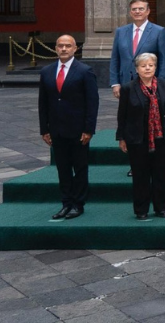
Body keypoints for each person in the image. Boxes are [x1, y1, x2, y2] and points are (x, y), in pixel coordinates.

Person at [37, 35, 98, 220]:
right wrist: (44, 129)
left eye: (68, 46)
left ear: (75, 49)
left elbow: (92, 102)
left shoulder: (85, 71)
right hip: (56, 130)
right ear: (55, 48)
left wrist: (89, 129)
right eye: (60, 46)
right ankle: (66, 203)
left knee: (80, 168)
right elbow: (43, 102)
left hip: (78, 130)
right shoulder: (47, 72)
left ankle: (78, 204)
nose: (64, 49)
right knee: (62, 169)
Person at [116, 52, 165, 220]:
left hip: (161, 137)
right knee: (140, 175)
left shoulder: (164, 85)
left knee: (161, 175)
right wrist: (121, 137)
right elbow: (122, 114)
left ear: (155, 67)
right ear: (137, 69)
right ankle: (141, 209)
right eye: (143, 66)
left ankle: (161, 208)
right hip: (137, 139)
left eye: (151, 65)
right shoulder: (128, 88)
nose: (147, 68)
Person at [109, 0, 165, 99]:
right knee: (127, 113)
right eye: (134, 9)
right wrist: (115, 83)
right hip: (126, 82)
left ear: (148, 11)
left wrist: (161, 83)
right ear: (130, 12)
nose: (137, 11)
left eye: (141, 9)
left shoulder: (159, 31)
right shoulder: (121, 31)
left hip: (150, 82)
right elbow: (115, 58)